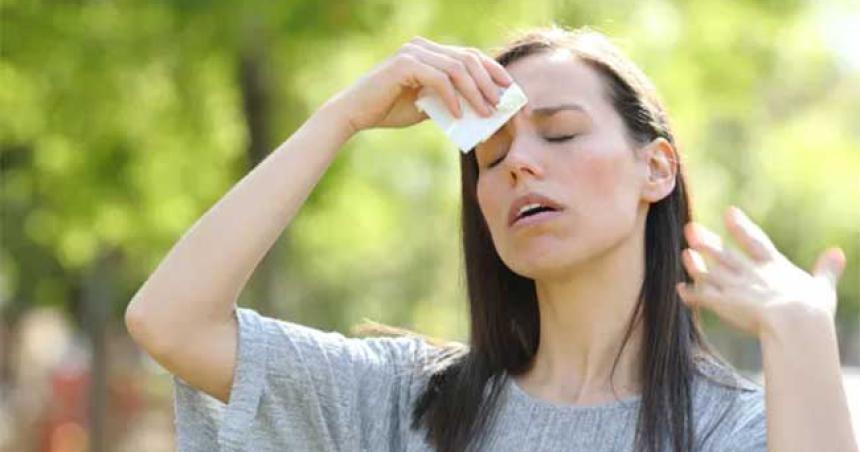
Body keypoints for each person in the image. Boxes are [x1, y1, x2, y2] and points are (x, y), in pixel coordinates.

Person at [124, 25, 858, 452]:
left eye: (561, 132)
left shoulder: (737, 429)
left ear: (656, 168)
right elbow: (169, 320)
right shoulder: (407, 402)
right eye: (492, 157)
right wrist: (342, 118)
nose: (522, 165)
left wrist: (799, 331)